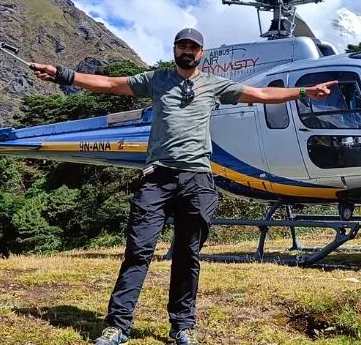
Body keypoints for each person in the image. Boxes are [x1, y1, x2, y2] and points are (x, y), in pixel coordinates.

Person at [28, 27, 335, 345]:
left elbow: (260, 95)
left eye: (193, 47)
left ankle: (182, 326)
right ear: (175, 50)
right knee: (138, 251)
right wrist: (62, 74)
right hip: (157, 178)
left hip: (198, 179)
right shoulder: (156, 80)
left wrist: (304, 93)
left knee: (188, 255)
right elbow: (109, 84)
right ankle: (118, 326)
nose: (187, 51)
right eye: (182, 46)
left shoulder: (215, 85)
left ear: (200, 53)